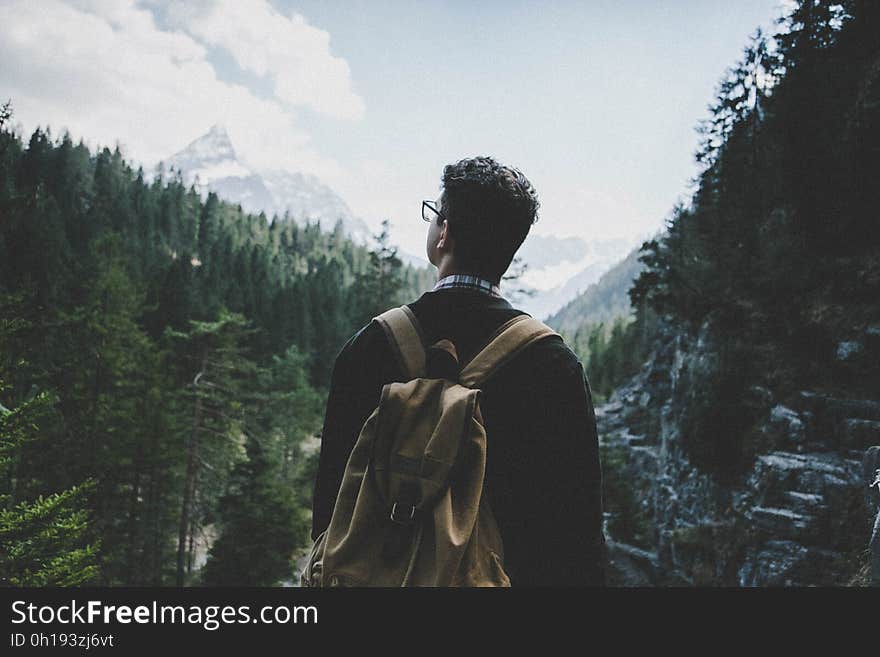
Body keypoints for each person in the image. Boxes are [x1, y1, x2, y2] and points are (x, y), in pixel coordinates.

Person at [311, 156, 606, 586]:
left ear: (443, 232)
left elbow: (329, 507)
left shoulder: (370, 347)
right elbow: (577, 533)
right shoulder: (553, 366)